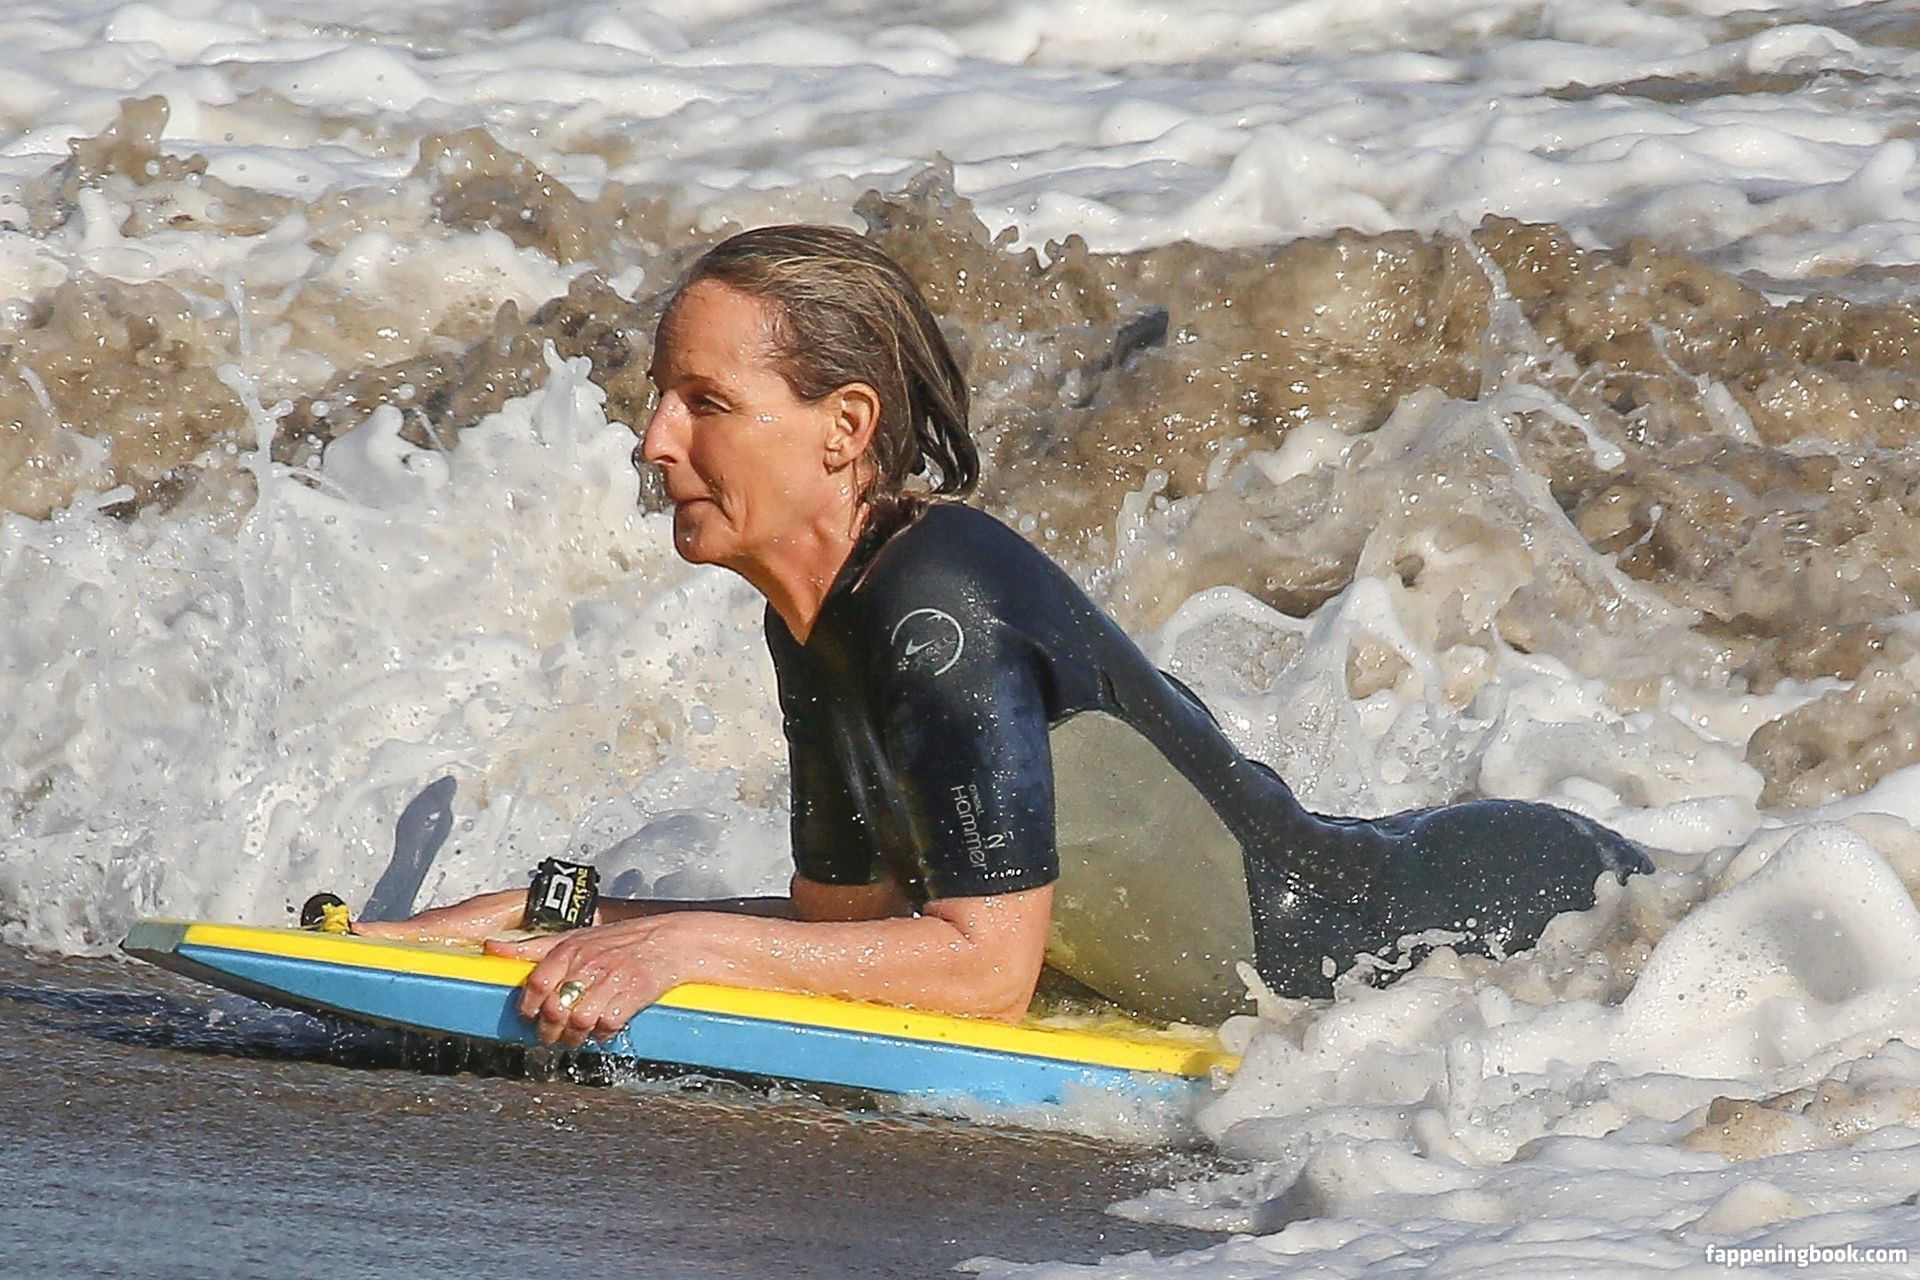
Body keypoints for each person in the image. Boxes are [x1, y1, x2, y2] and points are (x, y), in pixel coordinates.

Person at [360, 225, 1651, 1046]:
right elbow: (845, 926)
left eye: (705, 402)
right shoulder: (816, 622)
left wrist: (676, 946)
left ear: (844, 428)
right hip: (1427, 908)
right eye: (660, 399)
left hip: (1504, 911)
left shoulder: (938, 611)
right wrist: (559, 913)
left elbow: (984, 973)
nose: (654, 442)